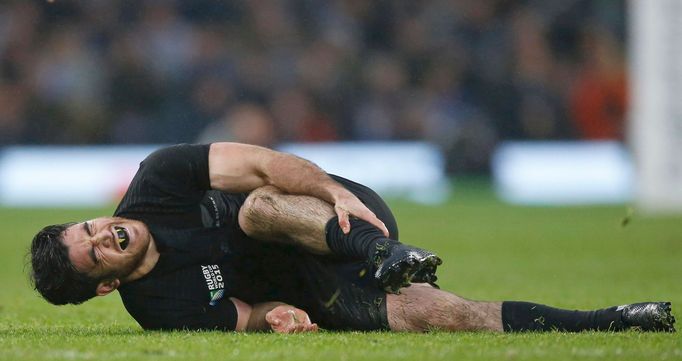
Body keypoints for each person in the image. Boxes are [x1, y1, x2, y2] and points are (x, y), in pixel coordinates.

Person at [30, 143, 675, 333]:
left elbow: (263, 165)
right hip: (316, 287)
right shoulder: (157, 310)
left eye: (89, 227)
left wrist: (335, 194)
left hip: (342, 215)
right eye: (96, 253)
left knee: (254, 208)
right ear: (107, 283)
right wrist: (275, 316)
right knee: (441, 316)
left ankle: (388, 256)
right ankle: (617, 320)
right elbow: (243, 314)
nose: (104, 233)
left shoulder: (158, 178)